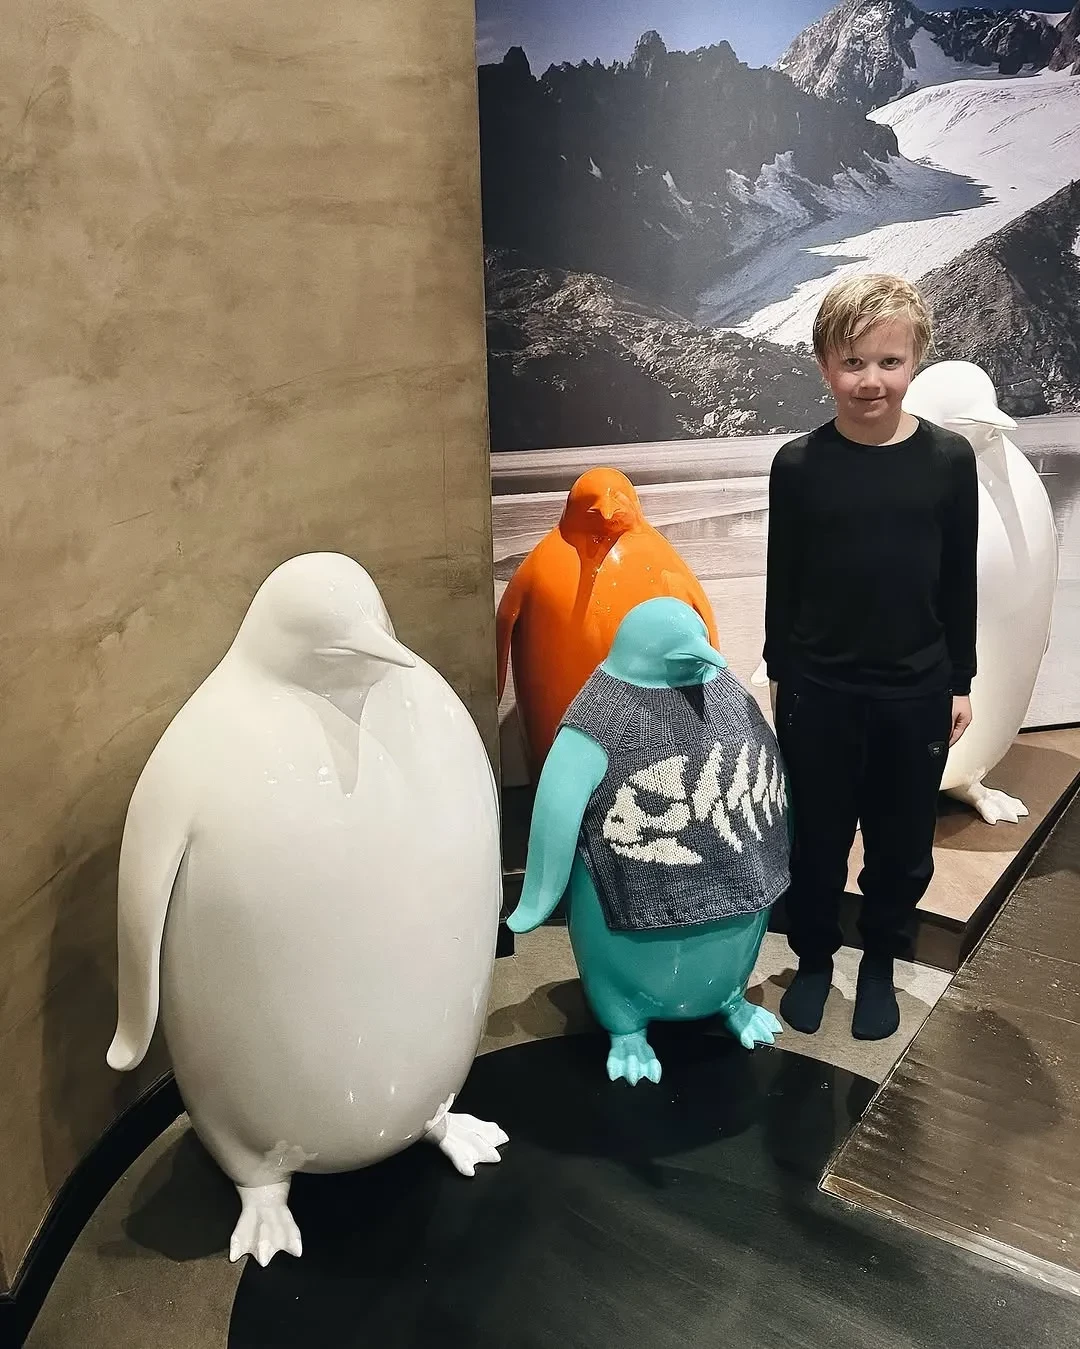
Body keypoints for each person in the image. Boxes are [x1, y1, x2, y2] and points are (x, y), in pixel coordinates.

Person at [763, 273, 977, 1041]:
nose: (870, 380)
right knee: (816, 840)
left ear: (915, 361)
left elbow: (958, 578)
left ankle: (882, 959)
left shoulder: (949, 460)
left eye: (889, 361)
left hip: (915, 691)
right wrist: (779, 673)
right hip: (819, 690)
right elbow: (783, 580)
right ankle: (815, 957)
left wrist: (960, 680)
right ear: (825, 364)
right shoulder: (797, 465)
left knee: (902, 844)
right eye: (853, 362)